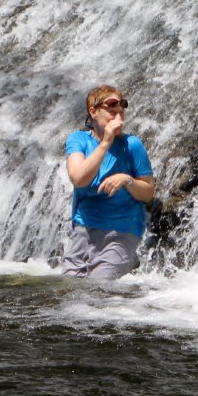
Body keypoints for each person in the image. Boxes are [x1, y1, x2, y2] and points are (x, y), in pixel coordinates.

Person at [60, 85, 155, 279]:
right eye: (112, 113)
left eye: (121, 113)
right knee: (70, 289)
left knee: (97, 287)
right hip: (83, 231)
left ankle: (128, 257)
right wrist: (105, 143)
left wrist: (127, 180)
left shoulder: (132, 145)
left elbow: (148, 193)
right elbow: (78, 178)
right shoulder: (78, 140)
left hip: (122, 231)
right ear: (93, 112)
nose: (118, 119)